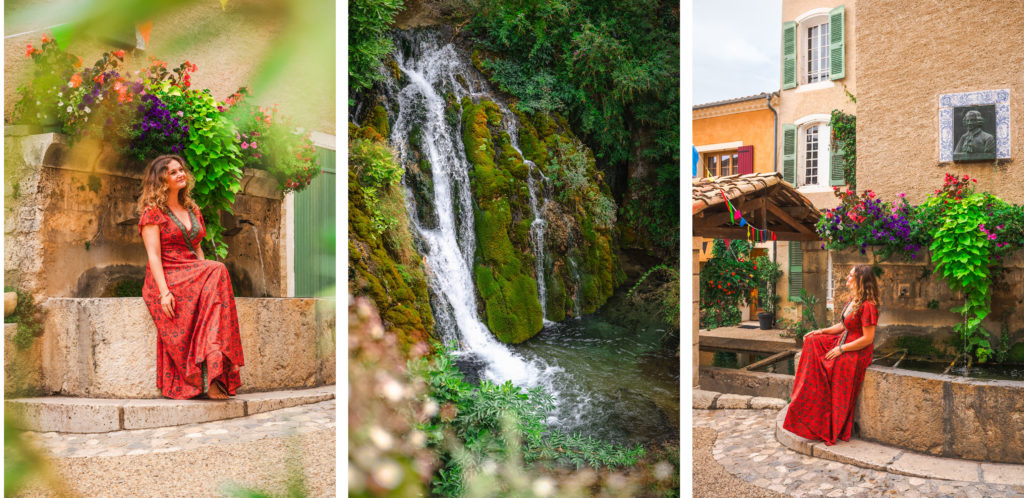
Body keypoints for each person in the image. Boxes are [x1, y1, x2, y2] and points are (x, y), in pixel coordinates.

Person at [138, 154, 244, 400]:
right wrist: (165, 293)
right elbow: (153, 256)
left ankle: (215, 372)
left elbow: (197, 248)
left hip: (191, 270)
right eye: (173, 172)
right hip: (167, 274)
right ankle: (209, 375)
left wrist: (203, 276)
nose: (180, 174)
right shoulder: (153, 212)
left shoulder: (192, 209)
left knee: (215, 277)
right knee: (217, 269)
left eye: (181, 170)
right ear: (162, 180)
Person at [783, 264, 878, 445]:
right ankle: (809, 402)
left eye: (851, 276)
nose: (847, 278)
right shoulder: (853, 300)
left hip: (857, 349)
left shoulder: (868, 306)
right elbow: (843, 326)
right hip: (845, 339)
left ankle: (830, 424)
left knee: (834, 364)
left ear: (860, 280)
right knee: (812, 340)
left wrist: (841, 349)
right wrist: (821, 331)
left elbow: (868, 339)